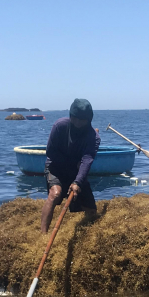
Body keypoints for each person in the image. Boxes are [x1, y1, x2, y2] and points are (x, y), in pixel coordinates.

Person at [41, 98, 100, 233]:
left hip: (76, 171)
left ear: (89, 119)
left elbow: (87, 159)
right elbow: (50, 151)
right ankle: (43, 234)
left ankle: (86, 234)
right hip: (55, 167)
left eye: (82, 119)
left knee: (91, 210)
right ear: (70, 116)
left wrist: (77, 181)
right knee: (55, 194)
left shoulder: (94, 137)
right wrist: (70, 167)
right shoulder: (60, 126)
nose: (78, 122)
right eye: (75, 118)